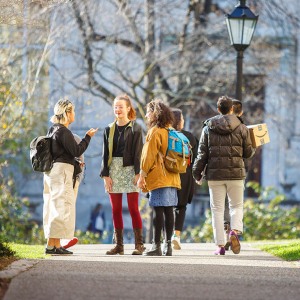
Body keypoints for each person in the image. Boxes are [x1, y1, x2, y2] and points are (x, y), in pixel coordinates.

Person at [192, 95, 255, 255]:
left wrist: (196, 173)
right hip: (236, 174)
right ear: (232, 109)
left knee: (217, 210)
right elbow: (248, 153)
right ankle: (234, 231)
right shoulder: (242, 128)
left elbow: (202, 154)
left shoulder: (208, 127)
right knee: (236, 205)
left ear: (218, 109)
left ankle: (220, 246)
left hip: (215, 175)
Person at [43, 98, 98, 255]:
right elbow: (77, 150)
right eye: (72, 111)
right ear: (67, 113)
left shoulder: (52, 129)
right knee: (62, 207)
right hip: (62, 173)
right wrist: (88, 137)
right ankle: (52, 245)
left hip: (52, 172)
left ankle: (54, 245)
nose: (74, 114)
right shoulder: (63, 131)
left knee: (54, 207)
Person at [100, 94, 145, 255]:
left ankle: (139, 245)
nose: (117, 109)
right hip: (114, 170)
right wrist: (105, 175)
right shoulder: (108, 129)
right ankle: (119, 245)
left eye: (120, 106)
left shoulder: (135, 128)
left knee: (133, 208)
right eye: (115, 106)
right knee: (115, 209)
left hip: (131, 170)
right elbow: (105, 154)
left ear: (128, 109)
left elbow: (139, 152)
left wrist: (138, 173)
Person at [137, 99, 181, 256]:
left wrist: (142, 175)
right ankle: (167, 246)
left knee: (157, 210)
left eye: (149, 111)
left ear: (155, 113)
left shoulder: (155, 131)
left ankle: (156, 246)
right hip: (173, 177)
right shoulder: (170, 130)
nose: (147, 115)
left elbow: (148, 156)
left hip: (159, 176)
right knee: (169, 210)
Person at [170, 108, 198, 250]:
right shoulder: (190, 137)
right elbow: (196, 158)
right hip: (185, 175)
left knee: (166, 205)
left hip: (168, 174)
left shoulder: (165, 135)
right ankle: (176, 235)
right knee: (181, 207)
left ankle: (166, 236)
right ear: (180, 121)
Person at [61, 133, 85, 249]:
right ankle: (60, 240)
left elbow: (81, 162)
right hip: (59, 181)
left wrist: (78, 180)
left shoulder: (76, 139)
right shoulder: (53, 137)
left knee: (69, 210)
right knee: (60, 209)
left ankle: (65, 239)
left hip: (73, 181)